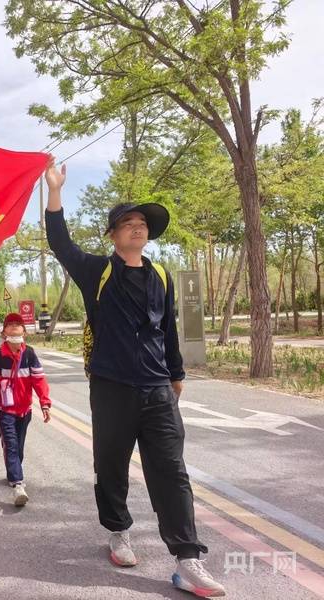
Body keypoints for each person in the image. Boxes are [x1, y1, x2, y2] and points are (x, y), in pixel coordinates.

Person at [44, 158, 225, 597]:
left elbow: (167, 330)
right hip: (111, 389)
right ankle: (118, 530)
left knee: (171, 473)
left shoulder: (160, 274)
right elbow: (60, 244)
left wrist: (176, 375)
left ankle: (187, 559)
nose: (137, 228)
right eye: (127, 223)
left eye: (142, 222)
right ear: (113, 235)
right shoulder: (96, 272)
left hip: (158, 391)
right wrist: (54, 192)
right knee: (110, 467)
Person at [0, 313, 51, 506]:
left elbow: (39, 380)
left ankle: (13, 471)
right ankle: (18, 484)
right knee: (11, 445)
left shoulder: (29, 353)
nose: (14, 327)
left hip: (25, 410)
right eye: (10, 325)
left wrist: (45, 403)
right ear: (4, 332)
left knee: (18, 448)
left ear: (24, 331)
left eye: (17, 324)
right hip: (5, 411)